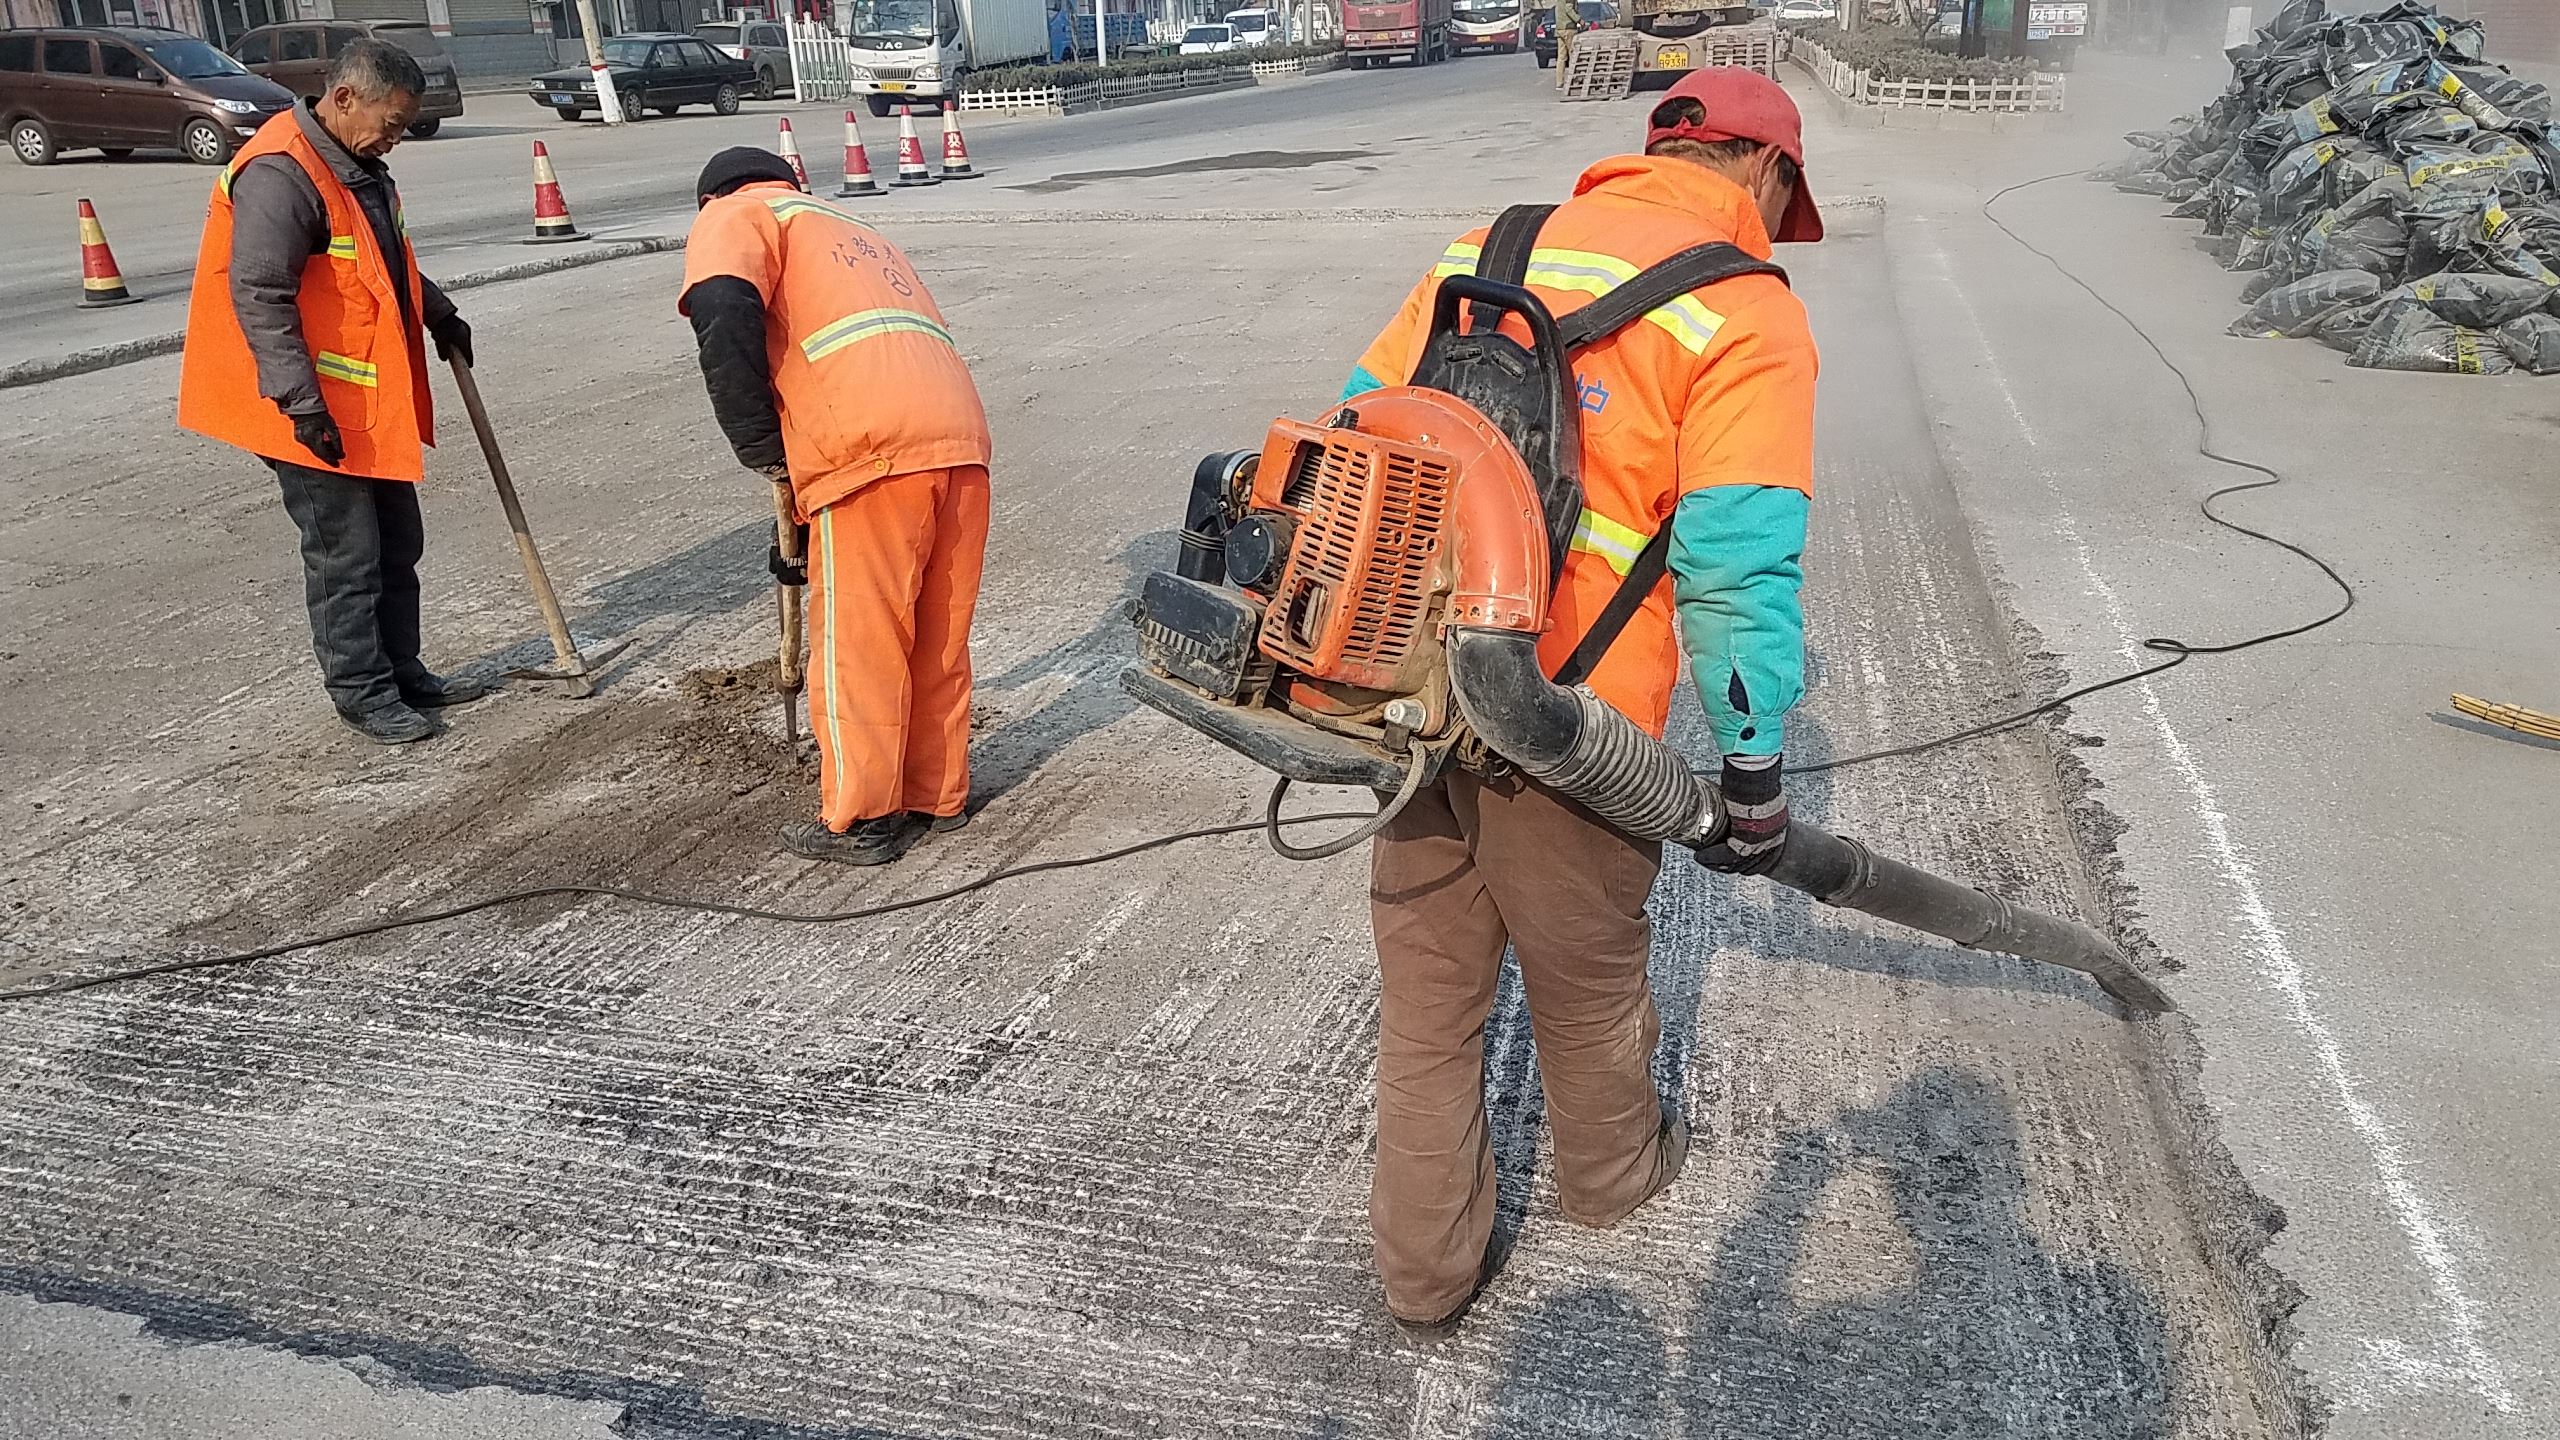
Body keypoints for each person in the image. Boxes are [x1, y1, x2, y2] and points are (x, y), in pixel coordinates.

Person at [1337, 67, 1825, 1335]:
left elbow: (1356, 437)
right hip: (1579, 730)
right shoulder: (1746, 312)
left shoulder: (1483, 248)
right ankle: (1610, 1180)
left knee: (1431, 1009)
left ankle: (1423, 1276)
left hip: (1417, 696)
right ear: (1769, 173)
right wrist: (1753, 777)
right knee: (1589, 982)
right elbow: (1737, 572)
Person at [678, 148, 994, 867]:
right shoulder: (849, 231)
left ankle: (862, 816)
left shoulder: (735, 213)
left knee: (860, 639)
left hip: (868, 448)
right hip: (958, 439)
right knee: (935, 631)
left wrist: (765, 452)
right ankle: (936, 794)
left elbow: (723, 315)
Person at [178, 38, 481, 745]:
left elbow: (379, 260)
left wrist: (437, 311)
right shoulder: (283, 174)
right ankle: (362, 693)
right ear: (344, 98)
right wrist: (302, 405)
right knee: (346, 552)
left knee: (398, 539)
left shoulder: (359, 164)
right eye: (393, 123)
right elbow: (259, 294)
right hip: (298, 405)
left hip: (359, 401)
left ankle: (403, 671)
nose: (397, 139)